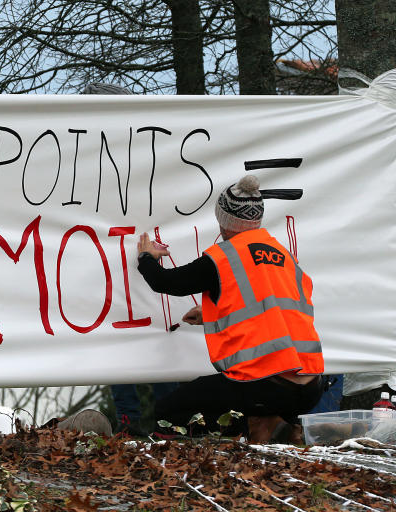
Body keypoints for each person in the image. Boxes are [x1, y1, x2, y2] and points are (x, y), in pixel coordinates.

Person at [136, 175, 324, 442]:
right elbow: (271, 309)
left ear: (223, 220)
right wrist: (210, 314)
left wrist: (146, 258)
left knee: (169, 411)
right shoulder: (284, 257)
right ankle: (273, 425)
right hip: (310, 387)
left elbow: (166, 282)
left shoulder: (223, 258)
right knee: (229, 400)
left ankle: (248, 432)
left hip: (265, 385)